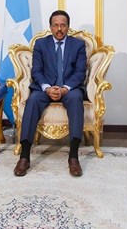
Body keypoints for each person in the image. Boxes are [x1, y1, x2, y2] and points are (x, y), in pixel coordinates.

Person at [14, 10, 87, 177]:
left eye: (63, 25)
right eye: (56, 25)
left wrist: (65, 88)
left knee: (76, 98)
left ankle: (73, 157)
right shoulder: (41, 44)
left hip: (69, 88)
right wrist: (47, 88)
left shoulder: (78, 45)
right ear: (50, 27)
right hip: (46, 88)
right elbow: (36, 71)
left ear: (68, 27)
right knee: (33, 100)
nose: (59, 29)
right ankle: (24, 156)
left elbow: (80, 72)